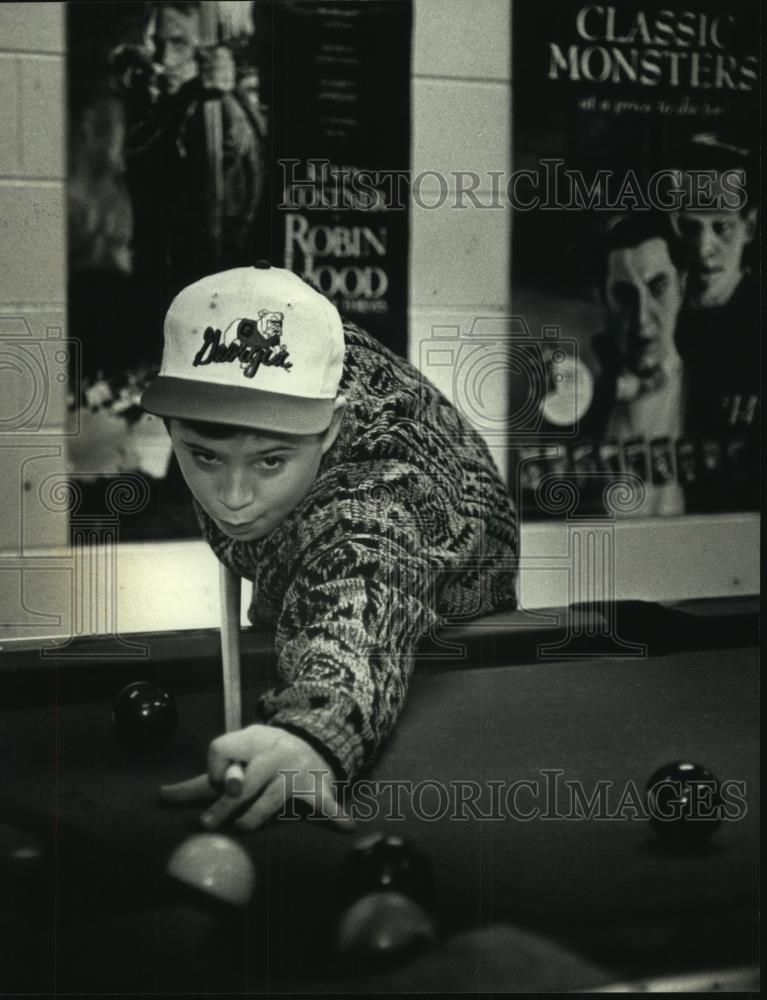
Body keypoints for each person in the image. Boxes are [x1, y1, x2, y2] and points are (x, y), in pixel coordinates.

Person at [141, 264, 518, 830]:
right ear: (171, 421)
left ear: (332, 428)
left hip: (466, 557)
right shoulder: (244, 383)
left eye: (271, 459)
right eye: (204, 457)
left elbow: (364, 590)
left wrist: (311, 732)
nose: (234, 498)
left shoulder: (373, 499)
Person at [110, 1, 267, 298]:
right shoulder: (149, 94)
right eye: (156, 43)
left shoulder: (229, 105)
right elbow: (142, 158)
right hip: (158, 279)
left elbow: (242, 155)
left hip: (223, 278)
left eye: (179, 43)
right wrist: (184, 96)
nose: (164, 58)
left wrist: (227, 91)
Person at [669, 135, 759, 510]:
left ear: (750, 228)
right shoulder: (666, 313)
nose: (703, 249)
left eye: (721, 227)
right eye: (690, 227)